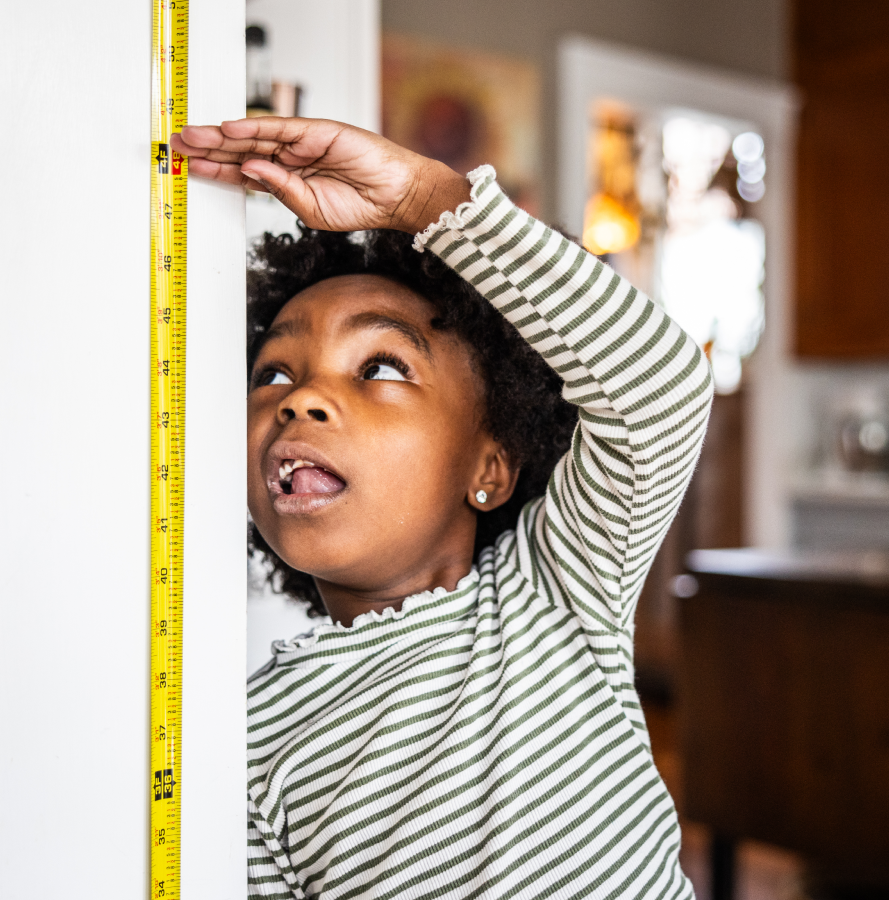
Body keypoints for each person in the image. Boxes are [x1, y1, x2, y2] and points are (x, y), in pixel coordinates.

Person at [173, 116, 712, 899]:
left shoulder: (554, 593)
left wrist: (427, 197)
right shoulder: (246, 741)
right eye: (276, 376)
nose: (305, 401)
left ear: (489, 467)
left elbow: (659, 388)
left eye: (381, 366)